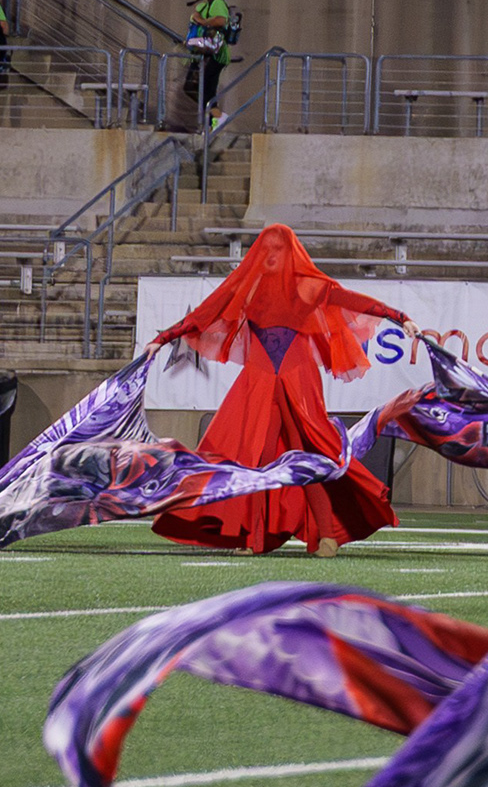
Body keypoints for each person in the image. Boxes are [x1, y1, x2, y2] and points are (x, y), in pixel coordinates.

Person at [142, 225, 408, 557]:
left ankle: (327, 535)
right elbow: (204, 314)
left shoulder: (308, 285)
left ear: (290, 253)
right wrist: (162, 339)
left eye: (278, 249)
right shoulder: (247, 287)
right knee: (254, 455)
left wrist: (401, 318)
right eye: (265, 248)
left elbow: (354, 301)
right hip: (259, 378)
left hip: (298, 378)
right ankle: (252, 538)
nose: (270, 255)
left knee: (310, 453)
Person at [182, 0, 240, 130]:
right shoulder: (203, 5)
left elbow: (220, 20)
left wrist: (201, 21)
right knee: (194, 88)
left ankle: (216, 119)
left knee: (204, 88)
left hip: (215, 54)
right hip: (200, 53)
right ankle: (214, 119)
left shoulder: (218, 3)